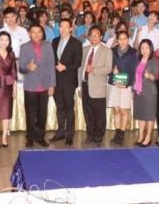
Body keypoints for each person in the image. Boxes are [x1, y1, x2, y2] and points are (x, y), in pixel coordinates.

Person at [18, 24, 56, 148]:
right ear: (29, 34)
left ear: (42, 33)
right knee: (30, 114)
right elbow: (21, 68)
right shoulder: (24, 47)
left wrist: (52, 85)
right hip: (30, 86)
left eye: (39, 32)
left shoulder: (48, 46)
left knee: (42, 114)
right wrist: (28, 67)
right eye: (33, 32)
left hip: (44, 85)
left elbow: (51, 66)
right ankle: (30, 138)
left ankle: (40, 137)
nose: (36, 34)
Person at [79, 25, 113, 145]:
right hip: (85, 85)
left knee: (99, 114)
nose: (94, 37)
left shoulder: (107, 50)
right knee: (88, 113)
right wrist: (79, 87)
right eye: (91, 35)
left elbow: (108, 68)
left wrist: (94, 70)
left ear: (101, 37)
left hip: (98, 87)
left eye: (96, 35)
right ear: (88, 37)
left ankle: (99, 136)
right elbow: (81, 69)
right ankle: (90, 135)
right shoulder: (84, 49)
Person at [51, 18, 83, 146]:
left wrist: (65, 67)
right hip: (56, 80)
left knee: (69, 108)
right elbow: (52, 59)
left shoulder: (76, 43)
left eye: (66, 27)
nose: (63, 29)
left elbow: (78, 62)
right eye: (61, 26)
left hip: (69, 80)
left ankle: (69, 135)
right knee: (59, 108)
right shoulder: (54, 41)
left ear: (71, 28)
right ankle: (60, 132)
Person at [0, 31, 18, 148]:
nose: (4, 42)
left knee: (6, 111)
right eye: (2, 39)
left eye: (6, 40)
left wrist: (15, 87)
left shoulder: (12, 54)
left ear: (9, 42)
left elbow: (14, 71)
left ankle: (4, 137)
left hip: (8, 84)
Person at [109, 30, 138, 146]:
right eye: (120, 39)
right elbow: (108, 66)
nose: (122, 41)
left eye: (125, 38)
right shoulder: (112, 51)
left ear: (128, 39)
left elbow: (133, 71)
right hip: (114, 83)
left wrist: (126, 84)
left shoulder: (133, 52)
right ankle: (117, 134)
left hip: (126, 85)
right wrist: (112, 70)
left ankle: (121, 134)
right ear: (117, 40)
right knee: (116, 110)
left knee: (123, 110)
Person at [133, 39, 159, 147]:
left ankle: (148, 137)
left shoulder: (154, 60)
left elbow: (156, 76)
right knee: (141, 115)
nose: (144, 50)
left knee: (149, 116)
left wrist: (150, 76)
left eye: (146, 48)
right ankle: (140, 136)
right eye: (142, 48)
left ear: (151, 48)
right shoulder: (138, 59)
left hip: (149, 93)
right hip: (138, 92)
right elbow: (135, 76)